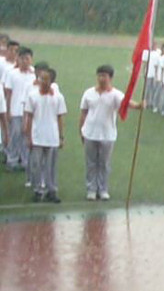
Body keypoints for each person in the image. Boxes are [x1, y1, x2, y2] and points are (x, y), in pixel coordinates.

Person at [79, 65, 142, 201]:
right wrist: (81, 130)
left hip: (107, 134)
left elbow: (126, 103)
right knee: (91, 163)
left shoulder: (115, 94)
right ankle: (91, 189)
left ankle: (103, 189)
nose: (101, 79)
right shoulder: (89, 93)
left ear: (110, 78)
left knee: (104, 163)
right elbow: (83, 113)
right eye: (100, 75)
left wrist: (138, 106)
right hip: (90, 133)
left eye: (104, 76)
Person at [23, 67, 66, 203]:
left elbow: (59, 118)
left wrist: (61, 137)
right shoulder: (32, 96)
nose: (42, 81)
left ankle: (51, 189)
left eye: (45, 78)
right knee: (36, 164)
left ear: (51, 80)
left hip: (52, 137)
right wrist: (29, 137)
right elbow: (29, 117)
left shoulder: (58, 97)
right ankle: (38, 190)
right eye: (41, 78)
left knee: (50, 165)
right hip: (37, 136)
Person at [4, 46, 35, 173]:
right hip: (15, 110)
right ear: (18, 59)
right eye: (22, 59)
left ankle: (25, 160)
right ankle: (12, 160)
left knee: (26, 136)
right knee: (15, 135)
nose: (24, 61)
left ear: (31, 60)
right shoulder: (12, 74)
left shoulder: (34, 73)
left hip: (29, 111)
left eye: (27, 59)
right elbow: (8, 93)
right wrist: (8, 111)